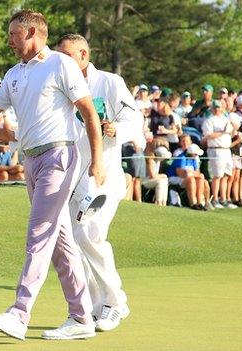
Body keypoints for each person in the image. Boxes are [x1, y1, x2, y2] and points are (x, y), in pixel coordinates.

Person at [0, 10, 104, 340]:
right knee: (60, 243)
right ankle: (81, 318)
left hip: (59, 156)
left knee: (38, 234)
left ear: (34, 32)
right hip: (32, 161)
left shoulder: (60, 64)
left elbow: (89, 112)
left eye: (13, 34)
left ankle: (19, 313)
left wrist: (98, 162)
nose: (8, 40)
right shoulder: (14, 74)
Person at [54, 33, 143, 331]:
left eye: (67, 55)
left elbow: (135, 119)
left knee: (89, 234)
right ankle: (97, 306)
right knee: (75, 244)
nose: (61, 61)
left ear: (83, 55)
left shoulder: (109, 81)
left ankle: (115, 302)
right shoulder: (58, 85)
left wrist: (116, 128)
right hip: (71, 178)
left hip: (104, 175)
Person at [202, 100, 236, 209]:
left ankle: (224, 198)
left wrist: (234, 127)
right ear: (212, 108)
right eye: (215, 107)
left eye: (219, 107)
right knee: (217, 176)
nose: (217, 109)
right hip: (216, 149)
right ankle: (215, 199)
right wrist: (222, 132)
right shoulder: (209, 120)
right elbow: (208, 136)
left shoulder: (225, 119)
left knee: (226, 175)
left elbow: (231, 132)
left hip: (226, 149)